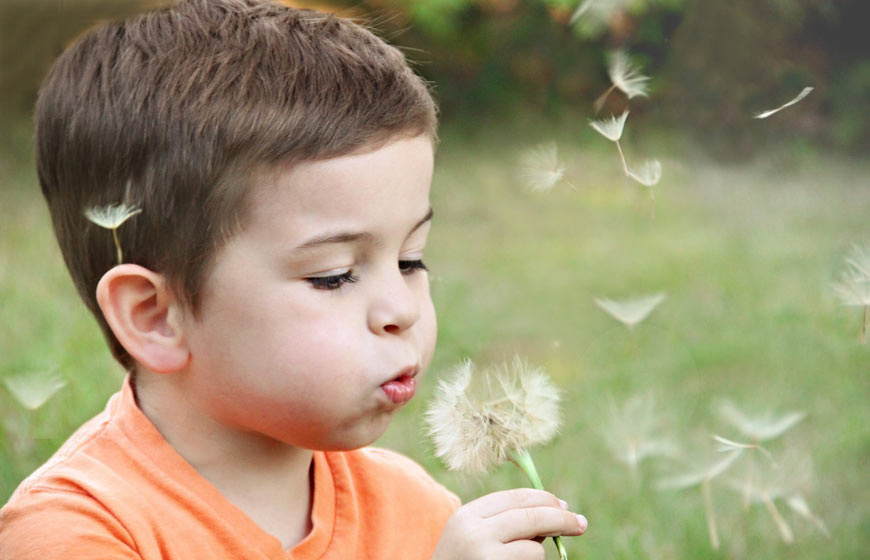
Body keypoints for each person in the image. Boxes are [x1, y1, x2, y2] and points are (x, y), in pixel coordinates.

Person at [0, 0, 588, 557]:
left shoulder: (415, 509)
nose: (401, 309)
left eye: (410, 260)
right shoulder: (76, 533)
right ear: (156, 315)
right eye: (334, 277)